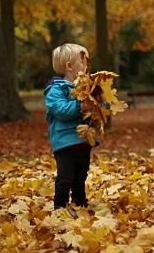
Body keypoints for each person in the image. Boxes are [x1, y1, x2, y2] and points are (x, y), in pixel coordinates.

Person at [44, 43, 94, 215]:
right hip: (64, 142)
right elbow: (60, 109)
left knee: (81, 174)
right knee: (66, 177)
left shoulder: (87, 87)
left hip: (83, 140)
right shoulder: (56, 89)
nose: (87, 66)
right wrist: (81, 106)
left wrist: (100, 102)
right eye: (84, 62)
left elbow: (96, 107)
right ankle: (60, 206)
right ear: (70, 66)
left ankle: (80, 202)